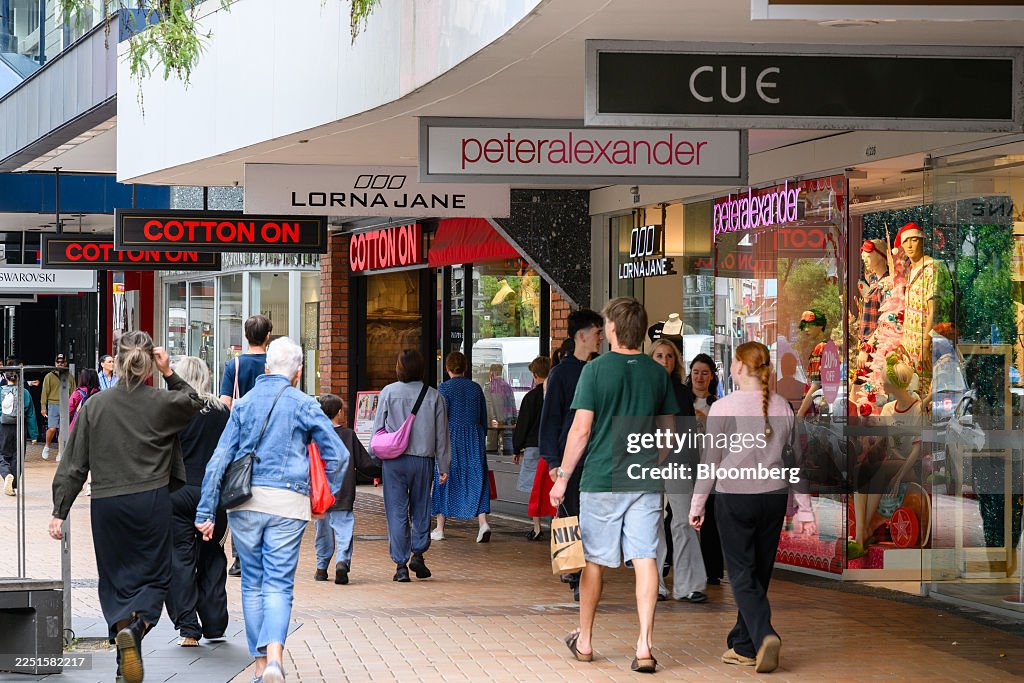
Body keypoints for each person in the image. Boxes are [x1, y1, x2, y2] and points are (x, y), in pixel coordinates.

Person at [48, 332, 204, 683]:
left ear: (116, 363)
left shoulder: (95, 406)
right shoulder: (160, 403)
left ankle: (123, 663)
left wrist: (60, 510)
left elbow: (74, 463)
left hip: (106, 505)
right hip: (150, 501)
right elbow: (193, 402)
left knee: (117, 581)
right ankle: (137, 627)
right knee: (156, 576)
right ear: (149, 362)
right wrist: (169, 373)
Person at [195, 337, 348, 683]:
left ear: (266, 368)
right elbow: (339, 457)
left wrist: (205, 512)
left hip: (245, 504)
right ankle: (276, 657)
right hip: (289, 504)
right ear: (299, 372)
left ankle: (261, 666)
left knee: (252, 583)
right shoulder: (305, 404)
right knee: (279, 584)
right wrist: (324, 500)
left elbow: (218, 461)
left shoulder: (244, 404)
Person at [550, 297, 678, 673]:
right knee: (645, 558)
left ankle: (586, 640)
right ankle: (643, 647)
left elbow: (581, 430)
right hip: (643, 481)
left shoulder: (594, 370)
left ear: (612, 329)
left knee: (594, 562)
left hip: (602, 480)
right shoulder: (657, 374)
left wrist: (563, 478)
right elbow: (669, 435)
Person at [689, 341, 818, 674]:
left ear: (740, 368)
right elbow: (795, 463)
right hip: (773, 498)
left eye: (733, 362)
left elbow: (710, 463)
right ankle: (744, 645)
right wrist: (804, 509)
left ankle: (764, 635)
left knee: (742, 574)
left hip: (735, 497)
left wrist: (697, 504)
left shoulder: (722, 408)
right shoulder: (783, 408)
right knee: (758, 572)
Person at [165, 357, 231, 648]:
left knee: (179, 558)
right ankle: (215, 622)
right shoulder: (220, 411)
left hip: (177, 493)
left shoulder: (173, 411)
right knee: (212, 553)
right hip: (213, 494)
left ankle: (188, 628)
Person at [539, 308, 604, 601]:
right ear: (581, 336)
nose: (601, 337)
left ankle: (579, 573)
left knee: (587, 517)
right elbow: (550, 418)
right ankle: (576, 575)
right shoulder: (561, 374)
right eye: (597, 332)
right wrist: (553, 462)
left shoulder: (599, 369)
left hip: (597, 455)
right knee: (571, 515)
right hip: (571, 458)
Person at [374, 349, 450, 582]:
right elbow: (442, 435)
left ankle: (400, 565)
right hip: (422, 460)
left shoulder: (388, 392)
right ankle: (418, 552)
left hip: (394, 462)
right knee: (421, 508)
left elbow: (378, 428)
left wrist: (375, 458)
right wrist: (443, 465)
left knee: (396, 512)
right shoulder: (434, 396)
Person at [649, 341, 707, 604]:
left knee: (684, 521)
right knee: (652, 523)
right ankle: (655, 584)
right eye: (659, 355)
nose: (664, 360)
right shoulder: (643, 388)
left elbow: (688, 433)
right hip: (648, 461)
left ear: (676, 361)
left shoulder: (682, 392)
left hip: (679, 462)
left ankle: (690, 585)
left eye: (669, 356)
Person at [219, 314, 273, 577]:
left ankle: (240, 558)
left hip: (242, 442)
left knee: (239, 497)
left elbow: (225, 404)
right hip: (270, 440)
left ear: (245, 335)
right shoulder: (274, 365)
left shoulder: (234, 365)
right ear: (268, 336)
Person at [313, 394, 381, 585]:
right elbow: (364, 464)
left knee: (322, 532)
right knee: (344, 530)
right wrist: (381, 471)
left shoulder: (314, 435)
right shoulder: (348, 435)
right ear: (340, 413)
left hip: (320, 494)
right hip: (343, 492)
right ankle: (342, 561)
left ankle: (321, 567)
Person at [431, 351, 490, 543]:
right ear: (465, 368)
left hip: (451, 438)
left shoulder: (444, 389)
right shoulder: (476, 388)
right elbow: (483, 418)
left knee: (445, 478)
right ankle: (483, 523)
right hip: (474, 437)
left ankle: (440, 528)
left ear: (447, 369)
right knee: (477, 477)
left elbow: (440, 419)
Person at [686, 353, 724, 586]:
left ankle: (712, 570)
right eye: (696, 372)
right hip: (686, 464)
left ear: (712, 377)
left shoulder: (718, 405)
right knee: (680, 516)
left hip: (711, 467)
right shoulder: (681, 401)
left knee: (711, 517)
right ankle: (677, 562)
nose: (700, 377)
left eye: (705, 373)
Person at [512, 356, 553, 541]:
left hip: (532, 447)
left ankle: (536, 527)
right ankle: (556, 521)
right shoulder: (556, 395)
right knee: (553, 486)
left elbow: (523, 425)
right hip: (552, 447)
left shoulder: (530, 398)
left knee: (534, 489)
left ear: (535, 375)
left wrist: (516, 448)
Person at [1, 366, 39, 496]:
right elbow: (30, 414)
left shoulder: (0, 391)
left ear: (5, 377)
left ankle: (6, 475)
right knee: (18, 455)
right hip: (20, 426)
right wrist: (34, 435)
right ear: (18, 378)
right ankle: (13, 484)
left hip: (3, 427)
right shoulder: (25, 393)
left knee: (2, 455)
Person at [40, 353, 76, 461]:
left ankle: (60, 452)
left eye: (62, 362)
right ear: (55, 363)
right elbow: (44, 392)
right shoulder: (49, 376)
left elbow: (74, 392)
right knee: (52, 428)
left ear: (65, 363)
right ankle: (47, 446)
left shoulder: (69, 376)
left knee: (62, 430)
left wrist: (74, 406)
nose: (60, 364)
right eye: (58, 362)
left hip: (65, 404)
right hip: (52, 404)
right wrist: (43, 406)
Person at [795, 310, 828, 418]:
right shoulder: (823, 345)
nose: (806, 329)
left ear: (820, 326)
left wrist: (800, 413)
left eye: (810, 325)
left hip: (816, 405)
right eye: (805, 326)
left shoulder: (820, 347)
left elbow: (816, 384)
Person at [484, 363, 517, 454]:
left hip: (493, 423)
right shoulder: (507, 386)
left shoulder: (488, 387)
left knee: (491, 449)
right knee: (507, 449)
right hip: (507, 422)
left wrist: (493, 419)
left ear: (492, 373)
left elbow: (489, 404)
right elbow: (512, 403)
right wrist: (514, 419)